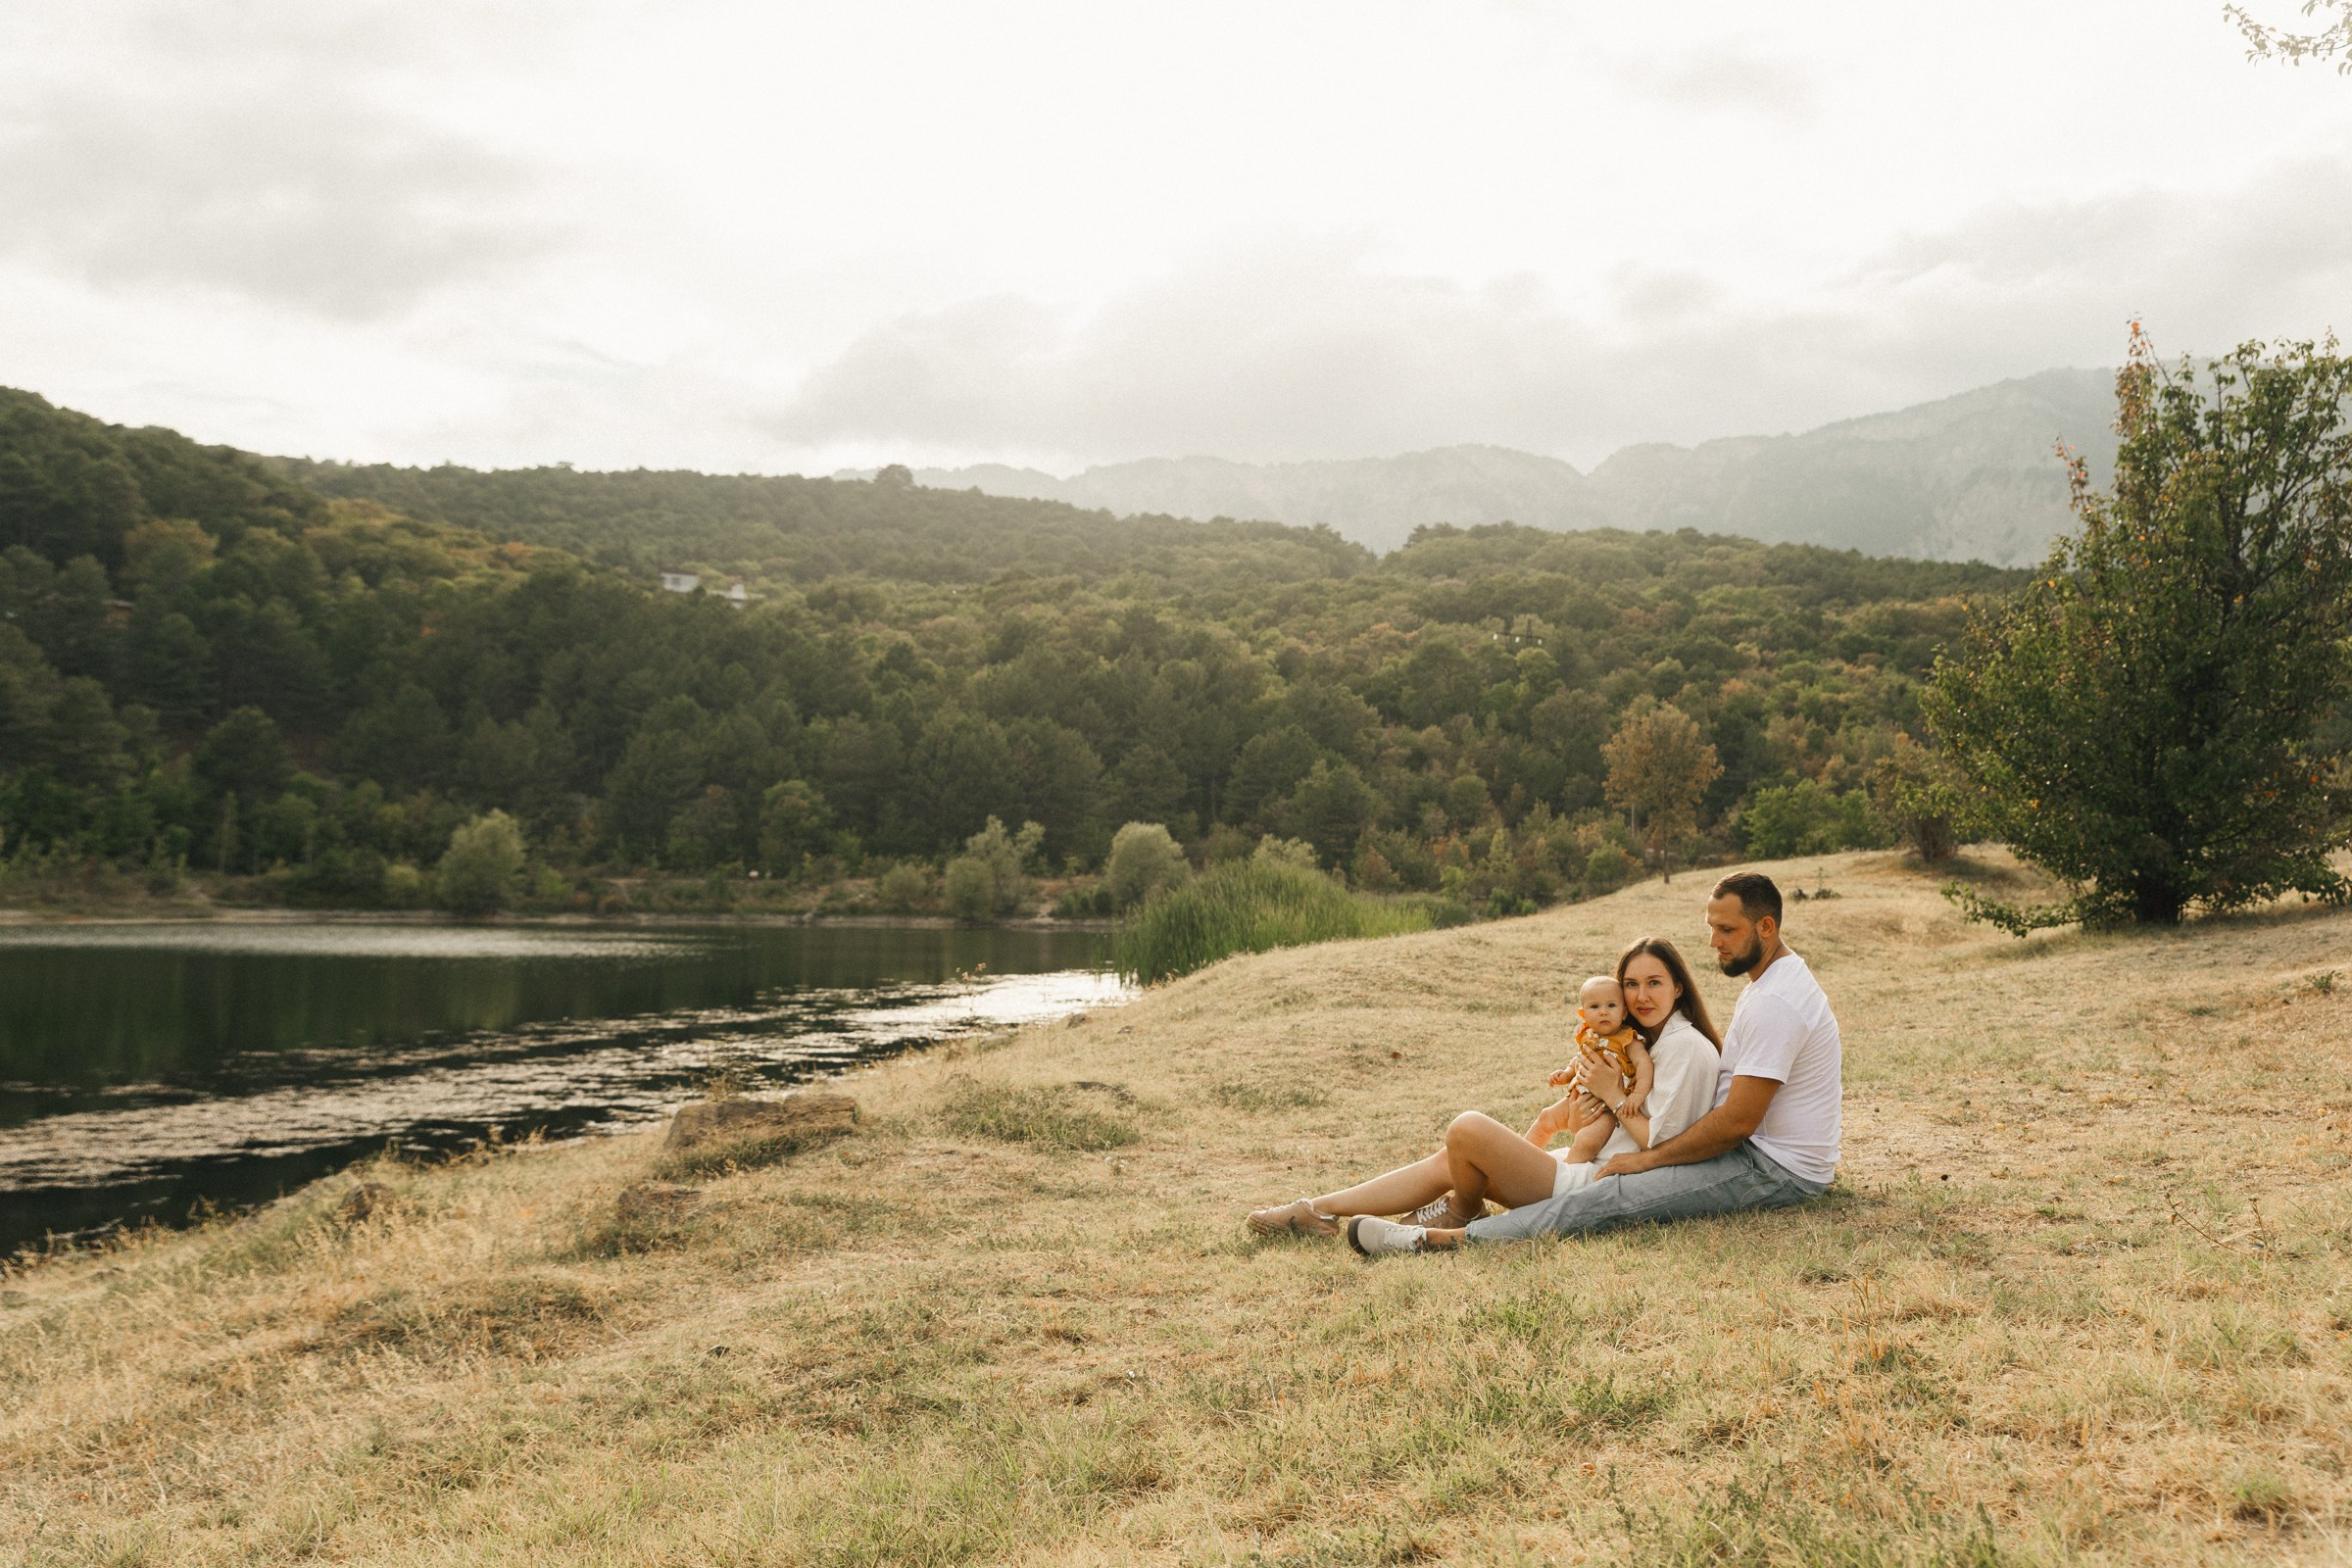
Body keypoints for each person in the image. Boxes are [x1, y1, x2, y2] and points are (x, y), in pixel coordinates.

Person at [1346, 870, 1838, 1255]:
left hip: (1776, 1168)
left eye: (1727, 930)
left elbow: (1738, 1120)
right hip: (1752, 1151)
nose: (1714, 942)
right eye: (1711, 929)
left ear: (1766, 927)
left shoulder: (1777, 1001)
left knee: (1617, 1197)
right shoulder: (1768, 986)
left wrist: (1646, 1158)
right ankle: (1324, 1211)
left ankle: (1446, 1240)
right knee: (1576, 1176)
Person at [1243, 936, 1722, 1238]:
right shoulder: (1649, 1040)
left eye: (1654, 983)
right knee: (1449, 1159)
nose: (1641, 996)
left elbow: (1663, 1145)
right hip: (1585, 1164)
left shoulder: (1684, 1047)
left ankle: (1461, 1210)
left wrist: (1614, 1096)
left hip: (1592, 1182)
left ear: (1679, 986)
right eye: (1632, 985)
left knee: (1467, 1129)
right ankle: (1314, 1210)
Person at [1554, 974, 1654, 1169]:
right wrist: (1566, 1074)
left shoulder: (1627, 1038)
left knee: (1586, 1141)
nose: (1603, 1012)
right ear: (1583, 1014)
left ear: (1624, 1012)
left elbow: (1644, 1064)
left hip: (1606, 1107)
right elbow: (1579, 1058)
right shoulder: (1587, 1034)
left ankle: (1567, 1173)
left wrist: (1638, 1094)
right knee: (1546, 1117)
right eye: (1595, 1007)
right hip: (1580, 1094)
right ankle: (1520, 1156)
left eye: (1611, 1006)